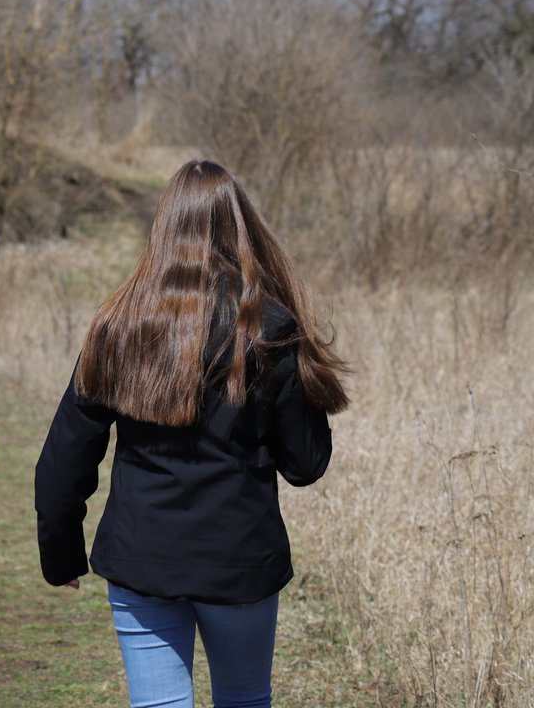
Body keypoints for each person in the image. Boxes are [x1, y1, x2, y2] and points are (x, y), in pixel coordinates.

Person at [34, 160, 348, 708]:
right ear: (242, 227)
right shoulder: (270, 328)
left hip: (141, 556)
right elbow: (305, 463)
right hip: (239, 558)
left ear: (163, 228)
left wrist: (61, 555)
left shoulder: (119, 326)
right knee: (245, 699)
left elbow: (64, 458)